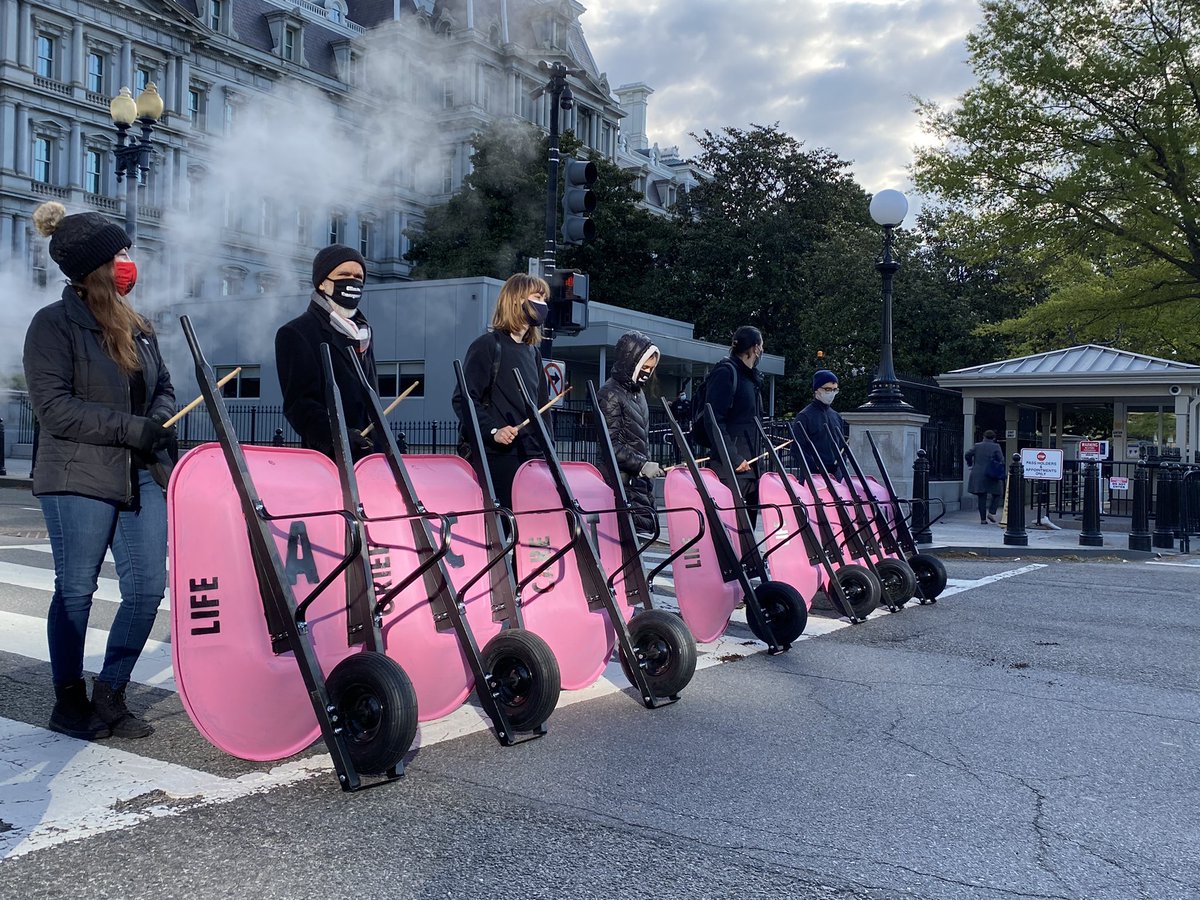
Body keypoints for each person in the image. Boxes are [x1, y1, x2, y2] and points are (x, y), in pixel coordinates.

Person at [24, 201, 176, 740]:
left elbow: (164, 390)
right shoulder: (51, 324)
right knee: (76, 590)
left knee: (147, 588)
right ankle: (69, 702)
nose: (129, 262)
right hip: (77, 475)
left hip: (138, 472)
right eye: (120, 254)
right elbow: (54, 408)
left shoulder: (139, 324)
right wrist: (132, 429)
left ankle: (111, 693)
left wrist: (158, 422)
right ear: (94, 267)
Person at [453, 273, 551, 511]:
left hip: (532, 458)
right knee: (500, 531)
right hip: (498, 458)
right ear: (517, 299)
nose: (543, 304)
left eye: (544, 298)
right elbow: (463, 399)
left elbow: (541, 407)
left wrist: (548, 451)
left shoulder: (533, 353)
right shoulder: (487, 345)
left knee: (532, 534)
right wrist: (493, 430)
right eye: (537, 296)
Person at [275, 244, 378, 461]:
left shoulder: (364, 332)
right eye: (344, 275)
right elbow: (300, 405)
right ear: (322, 282)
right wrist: (337, 438)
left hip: (372, 460)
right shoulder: (296, 333)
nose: (353, 281)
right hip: (330, 460)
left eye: (358, 276)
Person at [597, 331, 663, 537]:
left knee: (639, 542)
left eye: (650, 369)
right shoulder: (610, 393)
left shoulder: (638, 393)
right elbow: (610, 444)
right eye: (644, 367)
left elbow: (639, 438)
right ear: (630, 362)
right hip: (620, 483)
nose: (647, 373)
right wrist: (641, 464)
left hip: (638, 483)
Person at [705, 325, 765, 523]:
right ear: (756, 348)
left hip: (749, 469)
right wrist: (733, 457)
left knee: (747, 532)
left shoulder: (750, 377)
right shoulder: (726, 372)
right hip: (731, 469)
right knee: (732, 531)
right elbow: (714, 419)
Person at [794, 370, 848, 479]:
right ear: (816, 390)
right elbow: (798, 450)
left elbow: (842, 447)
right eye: (827, 389)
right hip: (813, 478)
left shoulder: (836, 416)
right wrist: (816, 468)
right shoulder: (804, 416)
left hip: (836, 477)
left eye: (834, 390)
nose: (831, 393)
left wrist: (840, 467)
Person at [965, 429, 1006, 524]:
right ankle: (992, 512)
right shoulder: (996, 446)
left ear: (984, 436)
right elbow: (1001, 460)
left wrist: (970, 464)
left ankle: (983, 519)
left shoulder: (977, 446)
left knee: (981, 496)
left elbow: (967, 454)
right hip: (992, 474)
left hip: (978, 474)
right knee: (998, 493)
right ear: (994, 438)